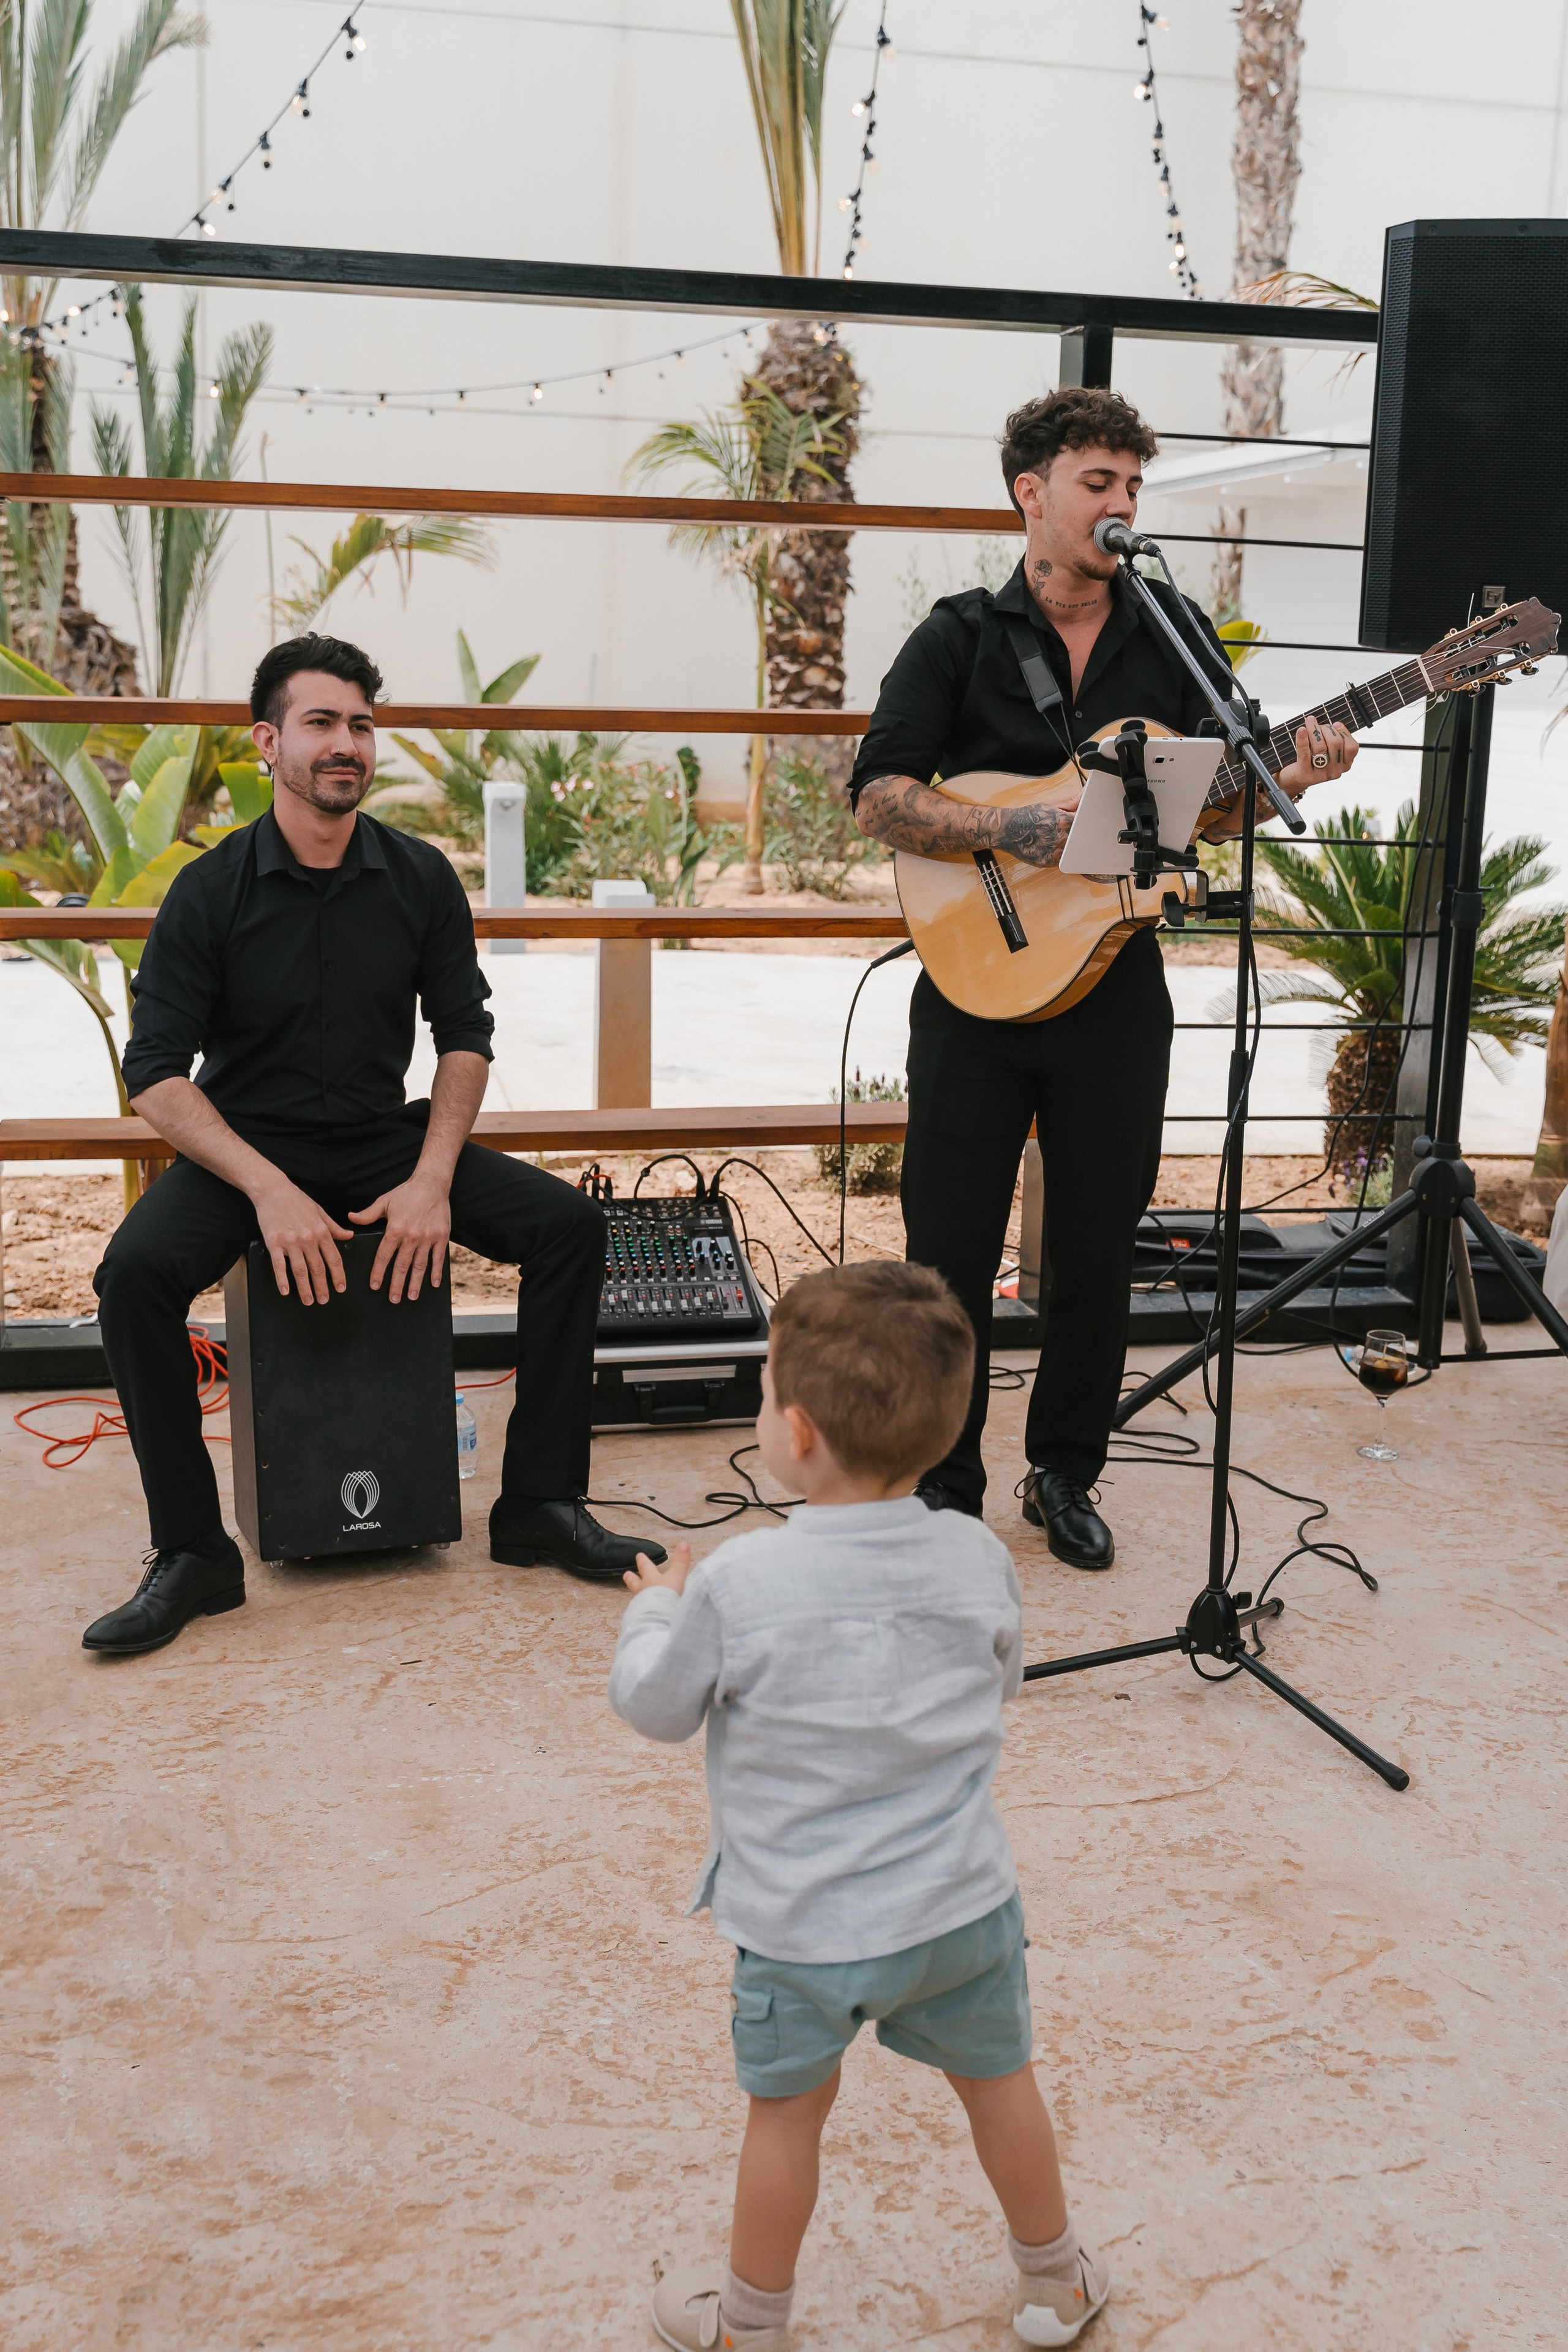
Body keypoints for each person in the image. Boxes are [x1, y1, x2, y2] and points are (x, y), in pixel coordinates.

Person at [850, 386, 1359, 1569]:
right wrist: (1015, 830)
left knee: (1096, 1248)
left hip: (1116, 982)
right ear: (1031, 495)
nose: (1123, 505)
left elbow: (1212, 806)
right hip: (972, 990)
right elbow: (877, 795)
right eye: (1099, 484)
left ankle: (1065, 1471)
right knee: (947, 1252)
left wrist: (1295, 775)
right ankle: (943, 1482)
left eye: (1133, 485)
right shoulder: (958, 636)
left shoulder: (1169, 632)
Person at [82, 632, 663, 1658]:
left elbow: (465, 1036)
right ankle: (194, 1552)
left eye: (360, 723)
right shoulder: (210, 890)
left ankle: (538, 1505)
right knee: (132, 1275)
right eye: (320, 722)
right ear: (269, 743)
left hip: (381, 1139)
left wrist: (433, 1178)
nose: (345, 742)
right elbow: (157, 1076)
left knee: (569, 1228)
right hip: (246, 1149)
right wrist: (267, 1191)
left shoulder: (419, 876)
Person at [609, 1261, 1108, 2351]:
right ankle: (1056, 2282)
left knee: (787, 2122)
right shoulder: (980, 1554)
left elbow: (656, 1708)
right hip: (961, 1912)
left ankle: (749, 2326)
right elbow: (1002, 1681)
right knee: (1001, 2088)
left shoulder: (739, 1581)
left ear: (795, 1432)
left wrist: (656, 1613)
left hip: (802, 1932)